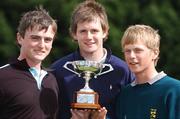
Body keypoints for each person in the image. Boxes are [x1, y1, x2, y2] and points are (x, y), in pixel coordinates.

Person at [51, 0, 134, 119]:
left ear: (104, 32)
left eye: (94, 31)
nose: (89, 37)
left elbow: (133, 112)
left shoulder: (122, 70)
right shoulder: (58, 70)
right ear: (74, 34)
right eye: (83, 31)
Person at [0, 7, 59, 119]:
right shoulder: (2, 76)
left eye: (47, 40)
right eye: (35, 38)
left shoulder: (52, 80)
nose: (42, 45)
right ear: (20, 38)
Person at [116, 24, 180, 119]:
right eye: (127, 51)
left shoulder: (174, 90)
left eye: (138, 50)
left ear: (155, 53)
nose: (131, 56)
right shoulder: (125, 94)